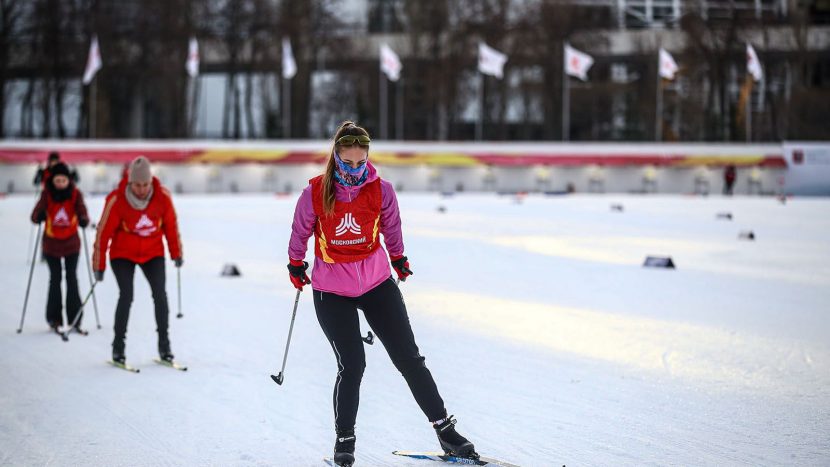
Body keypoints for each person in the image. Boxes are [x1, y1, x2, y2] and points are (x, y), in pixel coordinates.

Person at [287, 121, 477, 466]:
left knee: (409, 358)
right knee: (353, 364)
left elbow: (391, 226)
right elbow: (300, 230)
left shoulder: (381, 189)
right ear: (336, 158)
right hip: (332, 290)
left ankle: (445, 430)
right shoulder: (315, 192)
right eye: (348, 163)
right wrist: (295, 264)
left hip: (376, 283)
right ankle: (345, 441)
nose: (355, 170)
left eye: (361, 163)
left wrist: (399, 257)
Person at [93, 156, 183, 365]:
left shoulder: (163, 198)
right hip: (123, 253)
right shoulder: (117, 200)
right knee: (127, 295)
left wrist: (176, 253)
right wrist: (99, 265)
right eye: (137, 185)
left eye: (145, 184)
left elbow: (171, 227)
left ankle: (164, 345)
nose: (141, 189)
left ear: (150, 182)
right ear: (130, 181)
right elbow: (103, 233)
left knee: (160, 294)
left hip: (153, 252)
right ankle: (118, 347)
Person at [30, 162, 90, 332]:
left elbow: (82, 209)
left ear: (68, 180)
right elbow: (34, 215)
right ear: (52, 180)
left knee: (72, 278)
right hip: (51, 245)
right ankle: (54, 318)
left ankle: (75, 318)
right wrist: (39, 216)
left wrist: (83, 218)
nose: (61, 183)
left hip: (71, 244)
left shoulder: (75, 194)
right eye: (58, 180)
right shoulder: (46, 194)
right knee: (55, 279)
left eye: (63, 180)